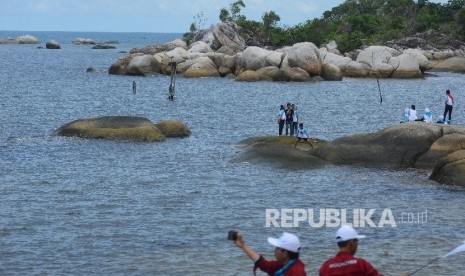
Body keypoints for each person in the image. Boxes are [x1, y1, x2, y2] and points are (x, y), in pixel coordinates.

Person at [234, 231, 307, 276]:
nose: (274, 251)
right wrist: (243, 245)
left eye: (277, 248)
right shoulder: (284, 265)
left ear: (285, 253)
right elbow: (264, 264)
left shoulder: (297, 272)